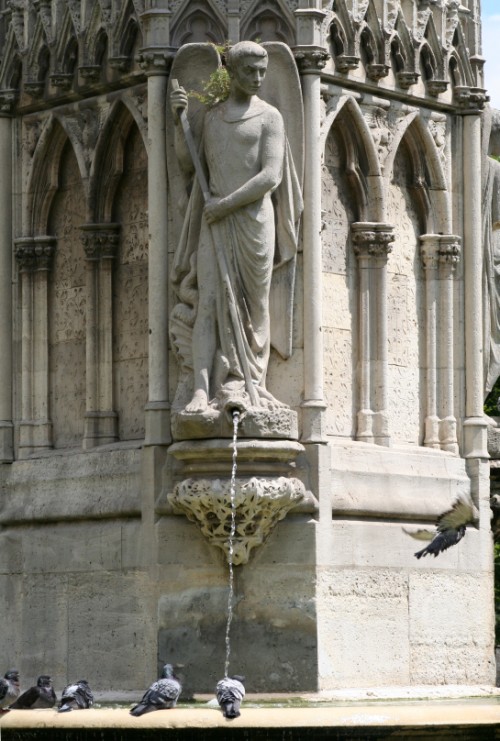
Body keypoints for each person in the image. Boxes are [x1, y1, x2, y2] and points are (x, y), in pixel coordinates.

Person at [170, 41, 302, 414]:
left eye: (262, 71)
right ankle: (201, 388)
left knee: (254, 309)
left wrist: (224, 205)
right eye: (250, 71)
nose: (258, 78)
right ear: (231, 71)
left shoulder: (270, 118)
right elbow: (192, 167)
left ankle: (247, 383)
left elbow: (271, 176)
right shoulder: (212, 118)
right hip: (215, 224)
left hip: (253, 223)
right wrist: (179, 120)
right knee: (209, 302)